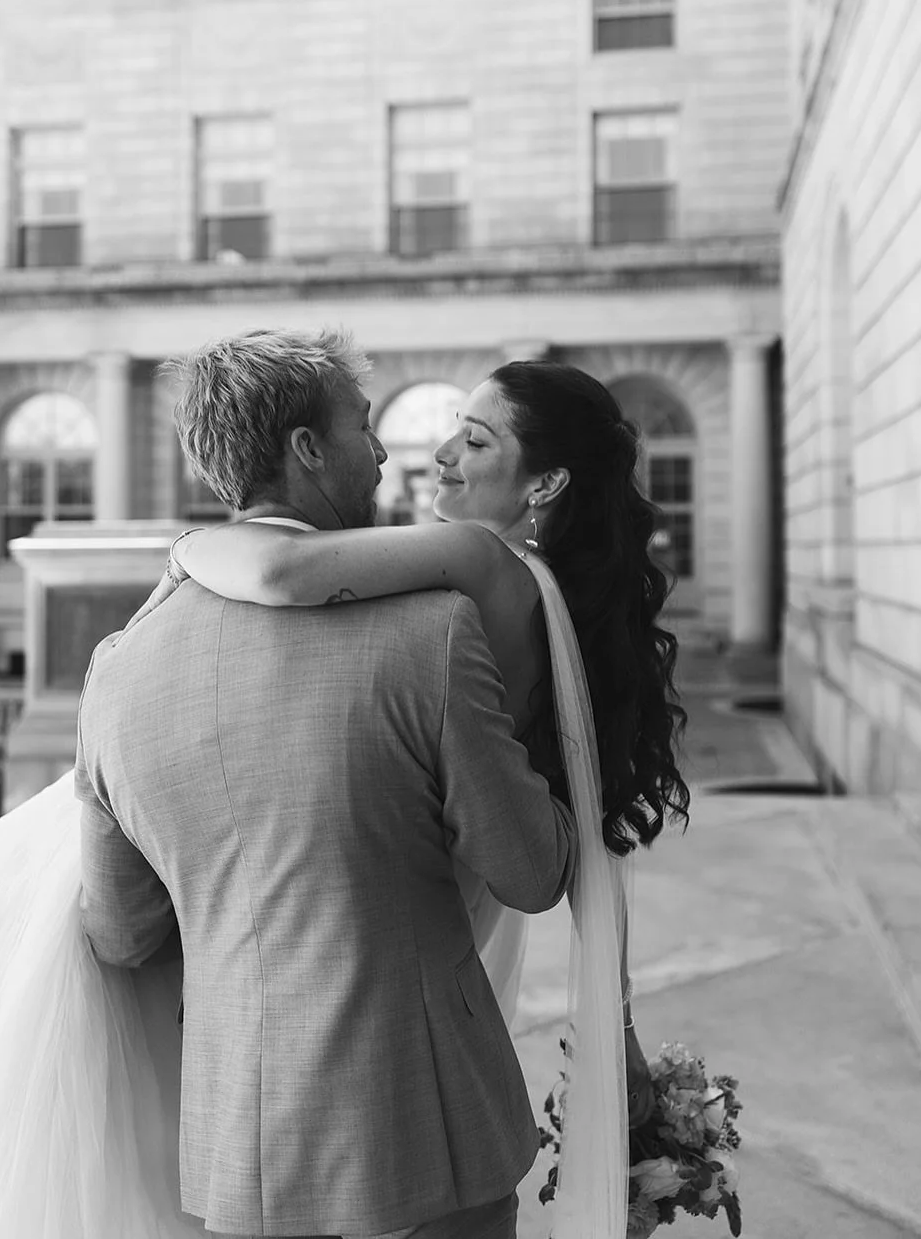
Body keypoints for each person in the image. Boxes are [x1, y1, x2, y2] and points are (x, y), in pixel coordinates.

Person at [0, 329, 579, 1239]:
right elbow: (531, 871)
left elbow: (121, 933)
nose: (382, 452)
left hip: (239, 1149)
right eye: (362, 426)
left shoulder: (118, 674)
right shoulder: (434, 632)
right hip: (432, 1133)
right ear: (307, 448)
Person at [166, 353, 690, 1235]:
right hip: (465, 887)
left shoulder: (476, 561)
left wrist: (182, 549)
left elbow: (281, 572)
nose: (442, 454)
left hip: (404, 891)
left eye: (475, 440)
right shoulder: (563, 603)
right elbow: (593, 834)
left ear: (545, 483)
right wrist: (617, 1023)